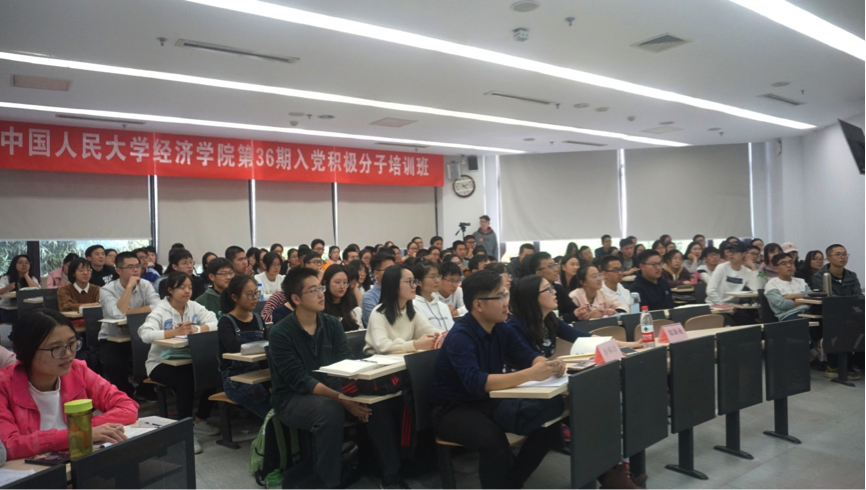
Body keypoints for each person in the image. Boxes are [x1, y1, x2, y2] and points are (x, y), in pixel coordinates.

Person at [269, 267, 410, 490]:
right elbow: (299, 380)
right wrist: (343, 399)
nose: (320, 294)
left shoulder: (331, 323)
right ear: (296, 299)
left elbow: (346, 364)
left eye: (320, 288)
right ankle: (328, 484)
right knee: (329, 411)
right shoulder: (280, 332)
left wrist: (353, 395)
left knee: (374, 404)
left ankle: (390, 476)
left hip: (334, 387)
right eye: (313, 290)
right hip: (292, 397)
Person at [429, 271, 565, 490]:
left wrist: (547, 365)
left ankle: (511, 484)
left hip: (488, 400)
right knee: (493, 441)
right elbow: (477, 382)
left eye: (506, 295)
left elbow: (525, 354)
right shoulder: (460, 336)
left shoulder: (501, 327)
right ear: (478, 305)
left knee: (548, 425)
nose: (506, 302)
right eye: (499, 297)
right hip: (451, 410)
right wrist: (531, 374)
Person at [0, 310, 138, 460]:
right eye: (56, 348)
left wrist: (86, 429)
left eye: (72, 344)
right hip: (32, 471)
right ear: (27, 351)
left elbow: (128, 406)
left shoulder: (77, 370)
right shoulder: (4, 385)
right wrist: (78, 433)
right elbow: (8, 445)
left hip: (80, 461)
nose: (67, 354)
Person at [139, 272, 220, 453]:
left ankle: (199, 419)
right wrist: (174, 333)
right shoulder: (161, 309)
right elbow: (145, 334)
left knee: (214, 371)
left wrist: (196, 329)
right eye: (182, 287)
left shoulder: (193, 306)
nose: (187, 291)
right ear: (170, 290)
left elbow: (215, 322)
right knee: (186, 381)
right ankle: (186, 431)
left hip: (186, 359)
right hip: (159, 363)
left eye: (189, 287)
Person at [97, 252, 160, 401]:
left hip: (138, 335)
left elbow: (158, 307)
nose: (136, 270)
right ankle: (125, 393)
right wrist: (129, 287)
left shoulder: (145, 285)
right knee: (113, 362)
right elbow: (118, 315)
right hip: (112, 338)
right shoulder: (107, 290)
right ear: (118, 270)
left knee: (156, 351)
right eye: (130, 267)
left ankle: (145, 389)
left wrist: (130, 312)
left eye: (138, 266)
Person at [217, 275, 272, 419]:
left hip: (259, 373)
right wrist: (260, 346)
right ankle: (275, 427)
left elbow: (266, 351)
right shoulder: (226, 321)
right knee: (262, 398)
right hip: (235, 379)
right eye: (249, 294)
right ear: (235, 297)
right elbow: (233, 347)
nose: (254, 298)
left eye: (256, 293)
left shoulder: (258, 319)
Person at [365, 265, 441, 356]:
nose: (414, 286)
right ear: (393, 284)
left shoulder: (412, 311)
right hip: (379, 362)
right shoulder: (378, 313)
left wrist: (440, 336)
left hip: (402, 360)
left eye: (414, 281)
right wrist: (415, 345)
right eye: (409, 281)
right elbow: (382, 346)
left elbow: (429, 329)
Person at [812, 244, 862, 380]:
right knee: (845, 325)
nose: (842, 257)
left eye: (845, 254)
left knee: (857, 322)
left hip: (849, 312)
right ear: (828, 258)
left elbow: (858, 296)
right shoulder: (820, 276)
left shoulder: (851, 275)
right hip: (826, 313)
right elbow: (826, 297)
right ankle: (835, 365)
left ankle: (854, 362)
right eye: (838, 254)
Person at [707, 242, 762, 325]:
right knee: (732, 324)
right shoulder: (721, 267)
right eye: (730, 251)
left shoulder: (747, 272)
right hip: (715, 306)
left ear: (744, 254)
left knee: (750, 324)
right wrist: (724, 307)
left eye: (735, 252)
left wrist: (753, 267)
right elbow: (710, 290)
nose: (731, 254)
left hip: (734, 308)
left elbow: (756, 290)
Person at [524, 252, 578, 323]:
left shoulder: (558, 289)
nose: (556, 269)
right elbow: (549, 319)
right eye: (550, 266)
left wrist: (581, 312)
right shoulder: (532, 293)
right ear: (539, 273)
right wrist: (572, 316)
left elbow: (571, 309)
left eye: (555, 265)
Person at [765, 254, 813, 321]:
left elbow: (812, 297)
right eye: (784, 263)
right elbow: (783, 304)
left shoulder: (801, 281)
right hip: (790, 315)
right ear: (776, 268)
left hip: (809, 312)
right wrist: (805, 299)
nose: (789, 266)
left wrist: (793, 296)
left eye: (791, 262)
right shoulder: (772, 284)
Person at [413, 260, 455, 332]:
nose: (437, 280)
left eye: (438, 276)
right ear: (419, 282)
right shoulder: (414, 305)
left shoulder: (443, 306)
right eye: (432, 277)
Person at [0, 255, 40, 323]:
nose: (24, 264)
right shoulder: (6, 278)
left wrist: (26, 276)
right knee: (27, 317)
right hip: (8, 309)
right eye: (20, 262)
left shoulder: (32, 278)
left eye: (26, 262)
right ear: (14, 265)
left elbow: (37, 290)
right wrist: (6, 288)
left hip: (27, 308)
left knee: (40, 315)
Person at [361, 253, 396, 328]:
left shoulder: (401, 291)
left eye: (395, 269)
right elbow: (376, 324)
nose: (394, 273)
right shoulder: (369, 297)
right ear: (376, 273)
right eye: (388, 269)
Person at [322, 265, 361, 332]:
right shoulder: (320, 306)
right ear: (326, 283)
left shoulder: (351, 304)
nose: (342, 286)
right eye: (337, 282)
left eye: (345, 282)